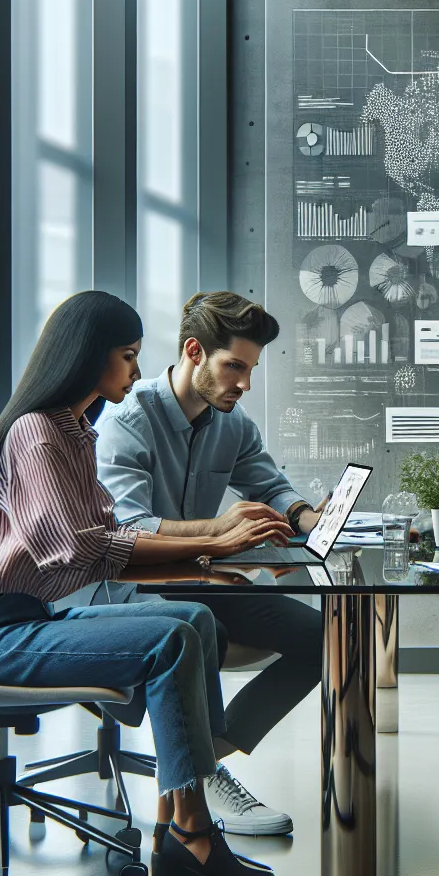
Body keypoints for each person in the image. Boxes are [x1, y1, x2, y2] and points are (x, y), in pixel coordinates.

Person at [0, 290, 291, 876]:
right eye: (127, 356)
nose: (135, 369)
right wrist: (214, 546)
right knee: (175, 637)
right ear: (87, 358)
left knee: (196, 621)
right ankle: (193, 833)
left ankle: (180, 822)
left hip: (32, 615)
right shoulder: (39, 435)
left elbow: (103, 549)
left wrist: (205, 568)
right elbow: (79, 553)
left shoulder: (73, 431)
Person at [92, 291, 324, 837]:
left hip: (197, 576)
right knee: (203, 627)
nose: (244, 383)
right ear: (195, 351)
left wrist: (310, 519)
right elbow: (128, 529)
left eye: (250, 369)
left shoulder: (231, 423)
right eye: (234, 367)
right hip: (125, 582)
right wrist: (221, 530)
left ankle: (204, 760)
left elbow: (269, 483)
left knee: (324, 637)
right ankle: (199, 774)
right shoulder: (128, 418)